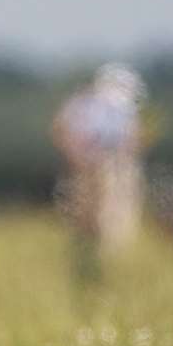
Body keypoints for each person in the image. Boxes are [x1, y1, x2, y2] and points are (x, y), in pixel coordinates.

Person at [51, 63, 147, 268]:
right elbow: (62, 131)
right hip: (92, 164)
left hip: (113, 164)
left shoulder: (122, 107)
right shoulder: (82, 105)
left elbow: (133, 137)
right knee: (88, 217)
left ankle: (110, 260)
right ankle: (97, 258)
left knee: (114, 216)